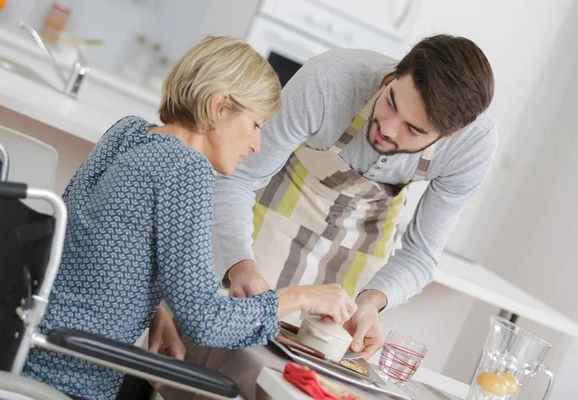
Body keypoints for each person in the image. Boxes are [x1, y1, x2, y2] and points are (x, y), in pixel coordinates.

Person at [21, 36, 357, 400]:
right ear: (220, 107)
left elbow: (85, 251)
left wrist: (156, 312)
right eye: (257, 124)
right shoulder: (186, 169)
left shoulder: (128, 132)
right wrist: (302, 297)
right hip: (69, 380)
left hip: (25, 348)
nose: (258, 146)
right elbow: (206, 321)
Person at [211, 34, 498, 360]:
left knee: (311, 370)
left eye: (413, 129)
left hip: (364, 238)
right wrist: (242, 266)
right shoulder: (328, 80)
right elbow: (239, 180)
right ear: (396, 73)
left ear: (451, 134)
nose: (388, 128)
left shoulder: (472, 148)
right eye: (390, 101)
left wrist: (372, 301)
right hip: (279, 210)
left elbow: (421, 255)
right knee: (232, 350)